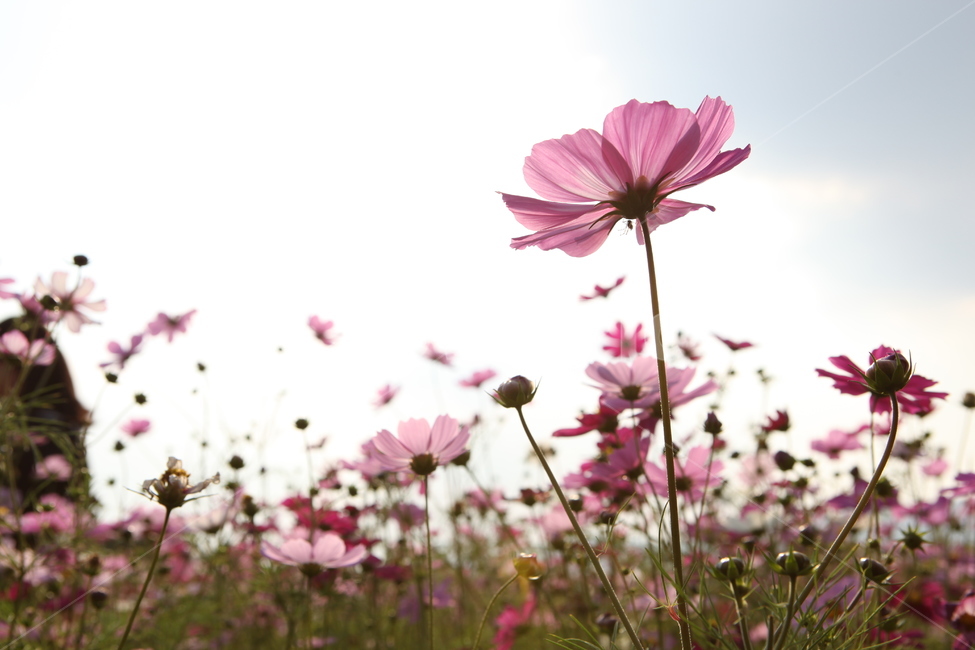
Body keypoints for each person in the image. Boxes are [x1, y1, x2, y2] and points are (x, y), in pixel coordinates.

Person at [0, 315, 90, 511]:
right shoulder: (54, 425)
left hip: (30, 535)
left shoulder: (45, 428)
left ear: (29, 371)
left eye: (2, 361)